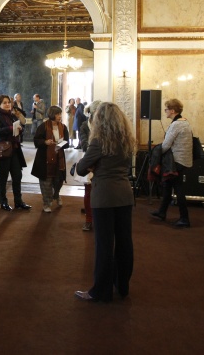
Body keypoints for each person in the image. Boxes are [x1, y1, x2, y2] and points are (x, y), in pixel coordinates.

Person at [75, 102, 135, 302]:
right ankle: (122, 285)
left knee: (104, 245)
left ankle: (100, 291)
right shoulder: (128, 139)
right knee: (125, 241)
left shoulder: (99, 141)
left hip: (104, 197)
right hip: (125, 194)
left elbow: (81, 169)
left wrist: (93, 166)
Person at [150, 98, 193, 228]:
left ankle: (184, 218)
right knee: (168, 185)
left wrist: (156, 152)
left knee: (178, 189)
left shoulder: (176, 125)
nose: (165, 111)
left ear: (172, 110)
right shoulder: (184, 122)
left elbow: (166, 145)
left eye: (166, 109)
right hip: (183, 160)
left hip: (176, 162)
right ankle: (162, 212)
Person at [0, 94, 31, 212]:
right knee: (3, 178)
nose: (7, 104)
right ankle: (3, 202)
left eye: (8, 102)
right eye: (4, 103)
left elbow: (19, 126)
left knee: (17, 176)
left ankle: (18, 201)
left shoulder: (12, 116)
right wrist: (10, 129)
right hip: (4, 150)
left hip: (15, 149)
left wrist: (19, 130)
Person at [31, 105, 69, 212]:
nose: (59, 116)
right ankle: (46, 203)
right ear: (52, 114)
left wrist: (61, 144)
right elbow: (36, 141)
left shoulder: (63, 127)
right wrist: (45, 142)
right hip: (45, 158)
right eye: (57, 114)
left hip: (59, 158)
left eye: (60, 114)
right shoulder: (43, 126)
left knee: (59, 180)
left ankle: (56, 195)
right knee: (46, 182)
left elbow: (67, 142)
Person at [79, 100, 99, 231]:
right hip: (89, 158)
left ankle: (97, 216)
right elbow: (84, 143)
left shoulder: (106, 126)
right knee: (88, 191)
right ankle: (88, 220)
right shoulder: (85, 126)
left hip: (101, 161)